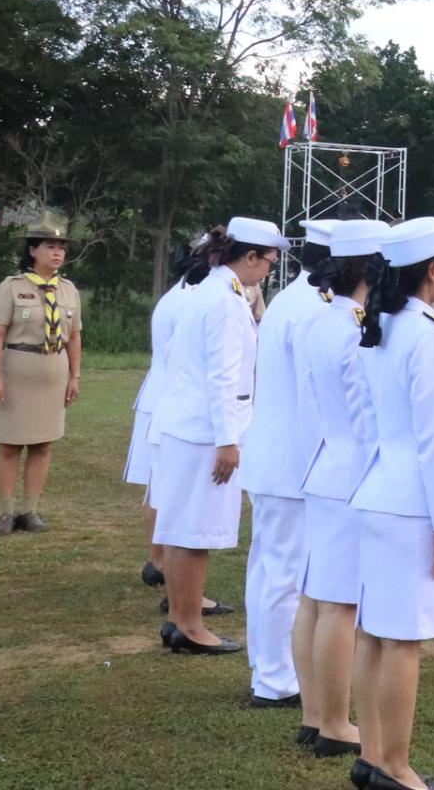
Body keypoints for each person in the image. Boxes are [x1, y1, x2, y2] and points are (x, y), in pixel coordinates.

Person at [351, 216, 434, 790]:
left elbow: (367, 420)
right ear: (429, 271)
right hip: (408, 505)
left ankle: (374, 756)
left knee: (374, 633)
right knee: (402, 642)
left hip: (377, 493)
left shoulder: (384, 326)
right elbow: (433, 440)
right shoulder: (424, 333)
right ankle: (393, 765)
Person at [151, 215, 287, 654]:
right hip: (204, 433)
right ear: (248, 257)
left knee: (178, 530)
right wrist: (228, 440)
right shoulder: (225, 302)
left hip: (184, 426)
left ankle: (179, 619)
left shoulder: (206, 292)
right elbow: (225, 377)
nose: (268, 269)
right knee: (195, 534)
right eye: (268, 261)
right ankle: (191, 626)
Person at [292, 218, 389, 769]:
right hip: (349, 470)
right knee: (339, 604)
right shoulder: (353, 326)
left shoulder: (323, 320)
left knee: (315, 596)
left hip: (325, 465)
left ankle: (314, 714)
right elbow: (365, 412)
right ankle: (333, 721)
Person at [240, 218, 336, 708]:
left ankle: (268, 667)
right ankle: (275, 679)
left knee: (269, 569)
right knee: (283, 574)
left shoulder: (295, 300)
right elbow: (313, 400)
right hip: (293, 462)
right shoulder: (313, 310)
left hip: (275, 456)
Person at [126, 231, 213, 586]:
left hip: (162, 396)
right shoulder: (193, 300)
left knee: (159, 486)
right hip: (171, 399)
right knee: (165, 489)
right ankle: (160, 561)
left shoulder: (181, 294)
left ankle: (158, 560)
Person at [0, 219, 84, 535]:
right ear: (33, 250)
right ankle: (5, 512)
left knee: (43, 444)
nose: (57, 253)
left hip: (53, 372)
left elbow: (74, 337)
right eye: (50, 247)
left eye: (61, 248)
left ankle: (29, 510)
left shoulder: (69, 290)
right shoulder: (12, 286)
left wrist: (75, 375)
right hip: (17, 369)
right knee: (9, 445)